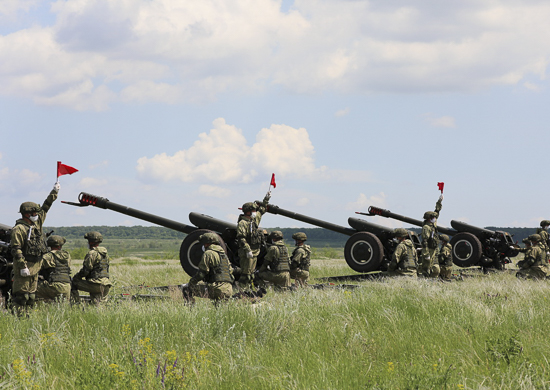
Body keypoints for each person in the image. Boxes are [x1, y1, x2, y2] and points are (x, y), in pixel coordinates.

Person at [10, 183, 60, 314]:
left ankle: (28, 319)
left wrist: (54, 192)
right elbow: (16, 249)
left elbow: (46, 207)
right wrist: (22, 266)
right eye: (33, 213)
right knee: (22, 297)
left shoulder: (36, 224)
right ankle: (16, 318)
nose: (36, 215)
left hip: (36, 265)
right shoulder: (18, 229)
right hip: (24, 265)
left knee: (31, 297)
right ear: (26, 214)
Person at [236, 192, 271, 290]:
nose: (255, 211)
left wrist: (266, 198)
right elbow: (241, 238)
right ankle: (241, 289)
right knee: (246, 274)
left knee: (251, 274)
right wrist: (247, 250)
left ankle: (249, 289)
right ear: (248, 211)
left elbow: (262, 210)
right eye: (253, 210)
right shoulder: (242, 223)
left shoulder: (254, 221)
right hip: (247, 253)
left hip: (255, 252)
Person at [187, 232, 233, 302]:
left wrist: (191, 283)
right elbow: (231, 272)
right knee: (220, 307)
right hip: (229, 289)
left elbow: (201, 273)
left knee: (187, 290)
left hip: (216, 289)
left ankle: (190, 311)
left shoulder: (208, 253)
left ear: (206, 243)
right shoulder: (224, 255)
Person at [71, 232, 111, 303]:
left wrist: (77, 277)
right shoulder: (105, 254)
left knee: (72, 283)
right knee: (99, 305)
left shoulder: (92, 253)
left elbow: (86, 270)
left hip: (95, 284)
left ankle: (76, 304)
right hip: (106, 284)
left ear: (90, 242)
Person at [36, 235, 71, 302]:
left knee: (31, 287)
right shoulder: (67, 255)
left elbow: (36, 268)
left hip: (54, 286)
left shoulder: (48, 256)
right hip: (67, 286)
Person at [420, 195, 443, 278]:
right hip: (428, 249)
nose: (434, 218)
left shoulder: (433, 224)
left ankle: (430, 278)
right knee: (426, 265)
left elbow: (437, 211)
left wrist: (439, 201)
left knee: (432, 265)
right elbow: (425, 241)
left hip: (433, 248)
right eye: (433, 217)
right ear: (429, 218)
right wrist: (426, 253)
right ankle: (425, 278)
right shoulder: (426, 227)